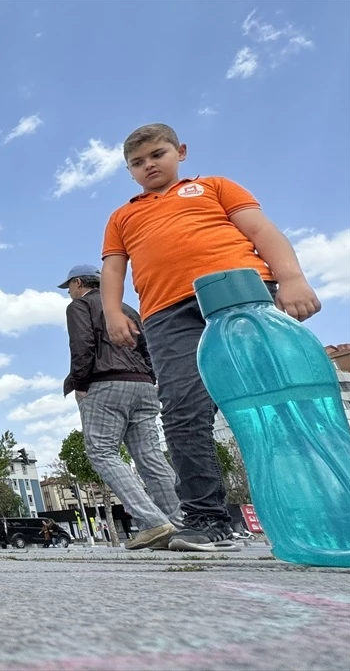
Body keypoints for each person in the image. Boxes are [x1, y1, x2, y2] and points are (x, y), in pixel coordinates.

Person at [102, 123, 321, 552]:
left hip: (239, 294)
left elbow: (261, 231)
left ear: (180, 152)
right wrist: (113, 312)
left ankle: (314, 504)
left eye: (157, 155)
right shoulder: (123, 216)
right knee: (182, 411)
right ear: (129, 172)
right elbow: (113, 268)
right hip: (166, 314)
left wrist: (292, 279)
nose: (149, 166)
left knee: (276, 396)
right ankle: (206, 518)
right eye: (137, 162)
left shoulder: (214, 187)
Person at [60, 263, 183, 550]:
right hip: (142, 385)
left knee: (102, 452)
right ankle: (180, 523)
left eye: (69, 288)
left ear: (79, 283)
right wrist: (149, 378)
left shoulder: (79, 306)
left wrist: (80, 383)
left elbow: (82, 346)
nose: (69, 294)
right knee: (150, 456)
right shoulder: (126, 309)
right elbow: (147, 349)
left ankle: (152, 522)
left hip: (105, 384)